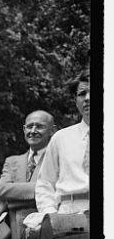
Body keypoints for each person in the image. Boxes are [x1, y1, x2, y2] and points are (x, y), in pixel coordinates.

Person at [33, 70, 90, 217]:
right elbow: (45, 183)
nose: (88, 98)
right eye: (82, 93)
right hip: (69, 214)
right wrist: (51, 215)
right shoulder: (61, 138)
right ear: (75, 100)